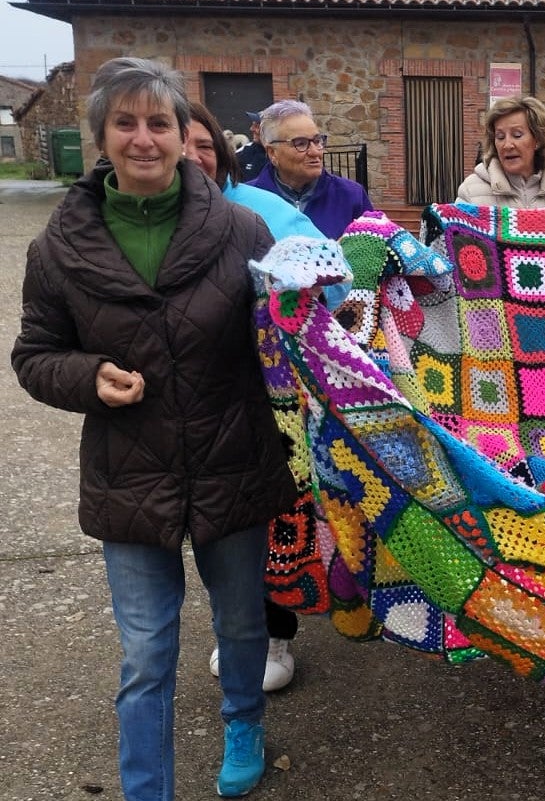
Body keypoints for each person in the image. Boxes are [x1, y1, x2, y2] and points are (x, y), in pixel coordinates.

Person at [11, 57, 296, 800]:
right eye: (126, 122)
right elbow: (35, 355)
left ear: (181, 134)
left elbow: (291, 328)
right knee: (145, 653)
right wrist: (88, 377)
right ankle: (147, 788)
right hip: (129, 471)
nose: (144, 138)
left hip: (232, 456)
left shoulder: (242, 229)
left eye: (159, 122)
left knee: (240, 625)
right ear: (101, 134)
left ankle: (243, 721)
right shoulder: (58, 249)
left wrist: (335, 321)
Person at [184, 101, 353, 694]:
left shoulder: (256, 208)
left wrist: (297, 292)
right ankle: (237, 627)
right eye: (176, 140)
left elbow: (337, 275)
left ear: (223, 150)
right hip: (187, 403)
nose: (188, 155)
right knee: (213, 524)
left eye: (201, 143)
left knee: (270, 511)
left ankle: (270, 630)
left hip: (266, 394)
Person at [247, 100, 373, 238]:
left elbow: (375, 252)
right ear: (272, 153)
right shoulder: (248, 200)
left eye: (317, 141)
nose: (315, 152)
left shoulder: (351, 196)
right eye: (300, 144)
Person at [236, 111, 268, 181]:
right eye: (252, 125)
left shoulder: (282, 154)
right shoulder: (244, 151)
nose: (251, 129)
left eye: (256, 126)